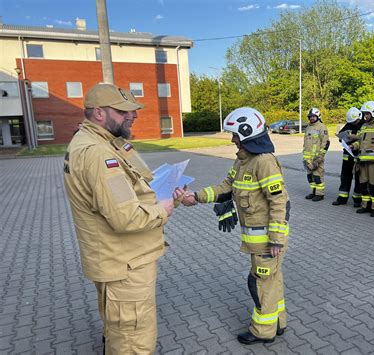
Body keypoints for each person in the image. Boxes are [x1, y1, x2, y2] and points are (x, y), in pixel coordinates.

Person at [63, 83, 182, 354]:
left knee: (119, 328)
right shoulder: (98, 153)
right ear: (98, 113)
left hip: (117, 258)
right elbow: (126, 218)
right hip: (125, 263)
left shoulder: (102, 142)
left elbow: (138, 180)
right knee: (133, 339)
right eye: (122, 111)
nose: (132, 116)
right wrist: (164, 210)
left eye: (132, 111)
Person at [182, 107, 290, 345]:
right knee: (272, 282)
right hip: (258, 242)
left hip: (267, 242)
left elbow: (279, 201)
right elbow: (225, 187)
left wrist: (276, 239)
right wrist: (196, 197)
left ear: (247, 133)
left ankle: (263, 331)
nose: (232, 140)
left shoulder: (264, 162)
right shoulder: (242, 161)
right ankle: (278, 322)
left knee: (260, 284)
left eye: (235, 135)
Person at [332, 107, 364, 207]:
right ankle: (342, 198)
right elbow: (342, 135)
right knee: (345, 177)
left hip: (358, 156)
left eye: (355, 122)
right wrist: (341, 138)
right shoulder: (349, 124)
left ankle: (357, 200)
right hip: (347, 156)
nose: (353, 124)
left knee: (359, 179)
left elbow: (365, 140)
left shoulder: (364, 125)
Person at [302, 107, 330, 201]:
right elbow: (305, 143)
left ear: (318, 116)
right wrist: (305, 158)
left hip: (317, 158)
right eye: (310, 116)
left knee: (318, 177)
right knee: (310, 177)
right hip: (308, 159)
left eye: (314, 116)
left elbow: (325, 143)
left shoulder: (322, 127)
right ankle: (313, 192)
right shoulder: (308, 127)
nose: (312, 118)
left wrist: (320, 157)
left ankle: (320, 194)